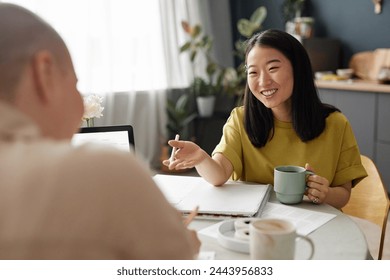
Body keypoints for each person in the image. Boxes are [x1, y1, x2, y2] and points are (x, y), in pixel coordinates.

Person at [0, 3, 199, 260]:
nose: (80, 103)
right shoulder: (104, 173)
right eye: (75, 85)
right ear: (44, 72)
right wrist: (183, 244)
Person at [164, 29, 367, 209]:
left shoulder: (335, 124)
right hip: (255, 225)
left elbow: (343, 194)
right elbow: (218, 174)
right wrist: (200, 157)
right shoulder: (241, 119)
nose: (263, 81)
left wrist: (326, 193)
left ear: (298, 68)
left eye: (273, 68)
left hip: (314, 225)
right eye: (253, 72)